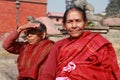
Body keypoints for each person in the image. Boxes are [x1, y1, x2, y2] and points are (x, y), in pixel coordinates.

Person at [40, 6, 120, 80]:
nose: (74, 25)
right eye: (69, 22)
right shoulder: (58, 46)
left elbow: (108, 71)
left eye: (78, 21)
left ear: (85, 23)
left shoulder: (97, 43)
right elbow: (48, 73)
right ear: (64, 25)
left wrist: (80, 71)